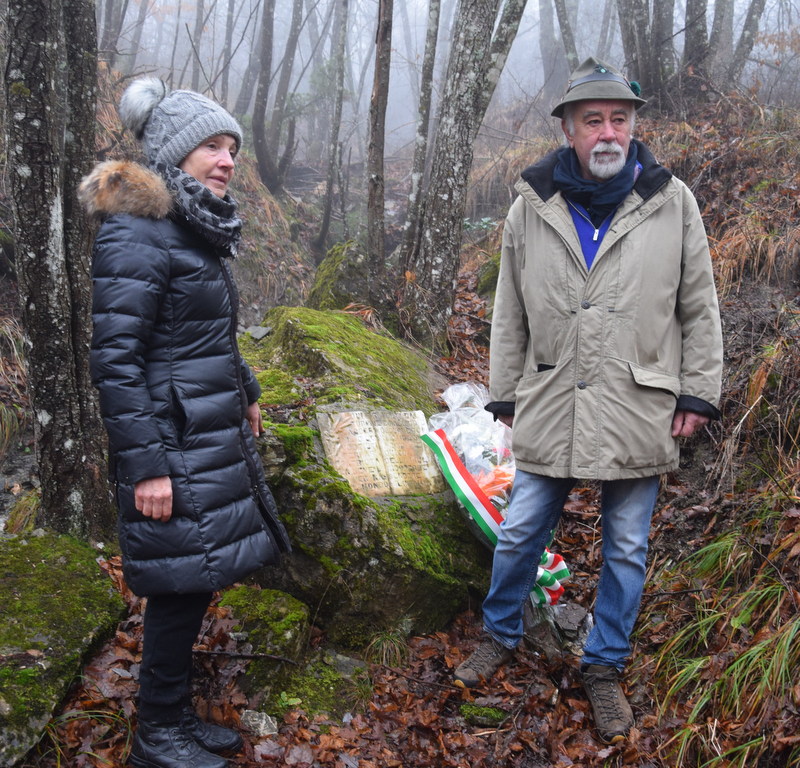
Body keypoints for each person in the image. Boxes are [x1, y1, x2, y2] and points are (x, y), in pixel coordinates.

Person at [453, 57, 723, 744]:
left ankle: (603, 665)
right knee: (521, 530)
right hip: (551, 395)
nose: (608, 132)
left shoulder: (673, 201)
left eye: (619, 120)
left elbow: (699, 305)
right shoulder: (531, 204)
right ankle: (500, 633)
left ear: (633, 126)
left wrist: (698, 391)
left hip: (638, 402)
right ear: (569, 130)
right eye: (593, 120)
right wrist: (505, 394)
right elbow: (509, 310)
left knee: (627, 547)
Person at [80, 78, 291, 768]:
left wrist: (247, 388)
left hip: (203, 428)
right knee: (179, 584)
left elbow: (204, 336)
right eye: (212, 147)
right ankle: (156, 736)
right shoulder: (138, 231)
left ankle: (170, 717)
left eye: (232, 148)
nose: (227, 161)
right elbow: (115, 361)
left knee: (195, 577)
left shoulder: (191, 225)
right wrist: (146, 466)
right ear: (175, 153)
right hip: (170, 441)